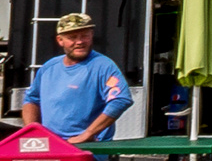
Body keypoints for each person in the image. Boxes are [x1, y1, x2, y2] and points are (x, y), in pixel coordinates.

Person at [23, 13, 133, 142]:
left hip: (89, 147)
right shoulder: (48, 67)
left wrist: (87, 134)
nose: (80, 42)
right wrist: (33, 132)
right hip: (52, 145)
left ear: (91, 36)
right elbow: (31, 99)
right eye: (72, 37)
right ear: (60, 40)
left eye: (85, 36)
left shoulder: (103, 66)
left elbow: (121, 99)